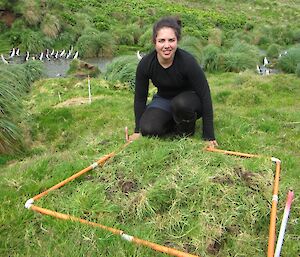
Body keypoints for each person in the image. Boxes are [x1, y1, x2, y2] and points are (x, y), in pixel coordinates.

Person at [129, 16, 218, 148]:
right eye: (161, 41)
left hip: (189, 100)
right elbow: (140, 98)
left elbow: (205, 95)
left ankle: (186, 127)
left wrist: (208, 136)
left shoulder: (188, 62)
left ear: (177, 41)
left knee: (181, 105)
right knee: (148, 129)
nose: (166, 46)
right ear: (155, 42)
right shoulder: (146, 64)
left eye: (171, 40)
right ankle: (173, 120)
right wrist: (137, 130)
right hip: (163, 99)